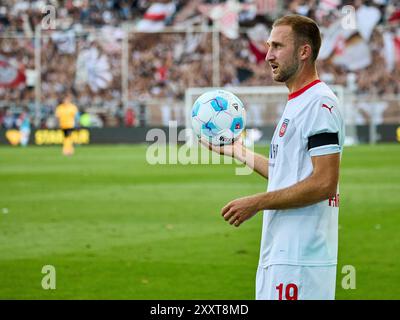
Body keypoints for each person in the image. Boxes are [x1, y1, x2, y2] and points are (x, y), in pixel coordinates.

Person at [201, 15, 345, 300]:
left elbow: (325, 182)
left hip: (301, 259)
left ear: (304, 52)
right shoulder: (298, 101)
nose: (268, 56)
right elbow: (287, 173)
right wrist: (239, 152)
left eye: (277, 46)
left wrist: (257, 202)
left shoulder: (320, 103)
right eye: (269, 46)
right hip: (282, 254)